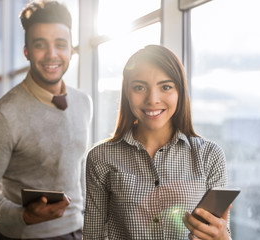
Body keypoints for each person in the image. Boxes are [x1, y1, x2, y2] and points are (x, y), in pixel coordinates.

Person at [0, 1, 92, 239]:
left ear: (71, 50)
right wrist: (23, 215)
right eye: (40, 45)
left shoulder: (84, 103)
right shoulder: (1, 117)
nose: (51, 55)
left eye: (60, 44)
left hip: (78, 232)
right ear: (26, 51)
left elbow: (78, 169)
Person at [83, 45, 232, 240]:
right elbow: (92, 236)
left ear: (179, 91)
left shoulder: (210, 156)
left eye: (165, 87)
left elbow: (219, 231)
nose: (152, 99)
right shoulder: (100, 157)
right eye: (139, 87)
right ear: (127, 93)